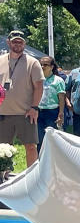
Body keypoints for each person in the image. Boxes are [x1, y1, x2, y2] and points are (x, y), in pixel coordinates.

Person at [0, 30, 43, 166]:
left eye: (20, 41)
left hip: (26, 113)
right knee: (3, 148)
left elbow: (39, 87)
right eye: (14, 41)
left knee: (30, 146)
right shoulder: (0, 60)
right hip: (3, 113)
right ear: (8, 42)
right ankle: (4, 176)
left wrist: (34, 107)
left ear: (24, 44)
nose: (17, 44)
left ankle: (32, 178)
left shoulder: (33, 62)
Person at [37, 55, 66, 150]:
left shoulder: (58, 80)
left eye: (45, 64)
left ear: (52, 67)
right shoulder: (37, 79)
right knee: (39, 139)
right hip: (38, 112)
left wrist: (60, 114)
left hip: (52, 113)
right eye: (40, 64)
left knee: (52, 139)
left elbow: (61, 98)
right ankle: (40, 161)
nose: (42, 67)